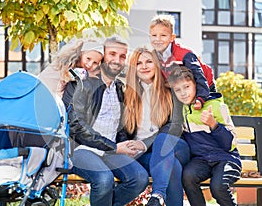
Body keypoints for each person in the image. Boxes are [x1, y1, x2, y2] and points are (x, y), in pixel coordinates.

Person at [63, 36, 149, 206]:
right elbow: (76, 126)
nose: (117, 60)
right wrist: (115, 147)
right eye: (112, 54)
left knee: (139, 178)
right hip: (81, 149)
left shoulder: (119, 89)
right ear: (103, 56)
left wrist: (126, 145)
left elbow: (120, 128)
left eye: (122, 56)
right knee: (103, 179)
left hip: (111, 151)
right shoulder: (80, 84)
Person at [123, 46, 190, 206]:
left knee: (163, 140)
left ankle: (157, 194)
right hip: (147, 155)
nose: (144, 66)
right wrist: (129, 146)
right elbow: (122, 130)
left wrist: (144, 144)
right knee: (172, 166)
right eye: (139, 63)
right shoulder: (127, 95)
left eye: (149, 61)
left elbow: (175, 125)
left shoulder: (170, 91)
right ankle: (157, 199)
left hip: (175, 145)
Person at [168, 66, 242, 206]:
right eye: (178, 90)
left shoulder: (215, 106)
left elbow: (231, 143)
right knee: (188, 177)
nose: (183, 93)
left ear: (196, 85)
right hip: (201, 160)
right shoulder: (181, 111)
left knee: (217, 187)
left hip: (226, 158)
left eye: (187, 87)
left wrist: (213, 124)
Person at [149, 14, 216, 110]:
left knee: (204, 114)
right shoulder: (154, 56)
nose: (158, 39)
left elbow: (199, 76)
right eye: (154, 35)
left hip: (205, 86)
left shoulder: (184, 55)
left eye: (163, 35)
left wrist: (200, 98)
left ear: (172, 37)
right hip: (181, 88)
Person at [38, 38, 104, 98]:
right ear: (81, 53)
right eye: (88, 59)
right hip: (46, 95)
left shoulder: (69, 61)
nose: (90, 64)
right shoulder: (68, 63)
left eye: (95, 63)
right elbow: (74, 75)